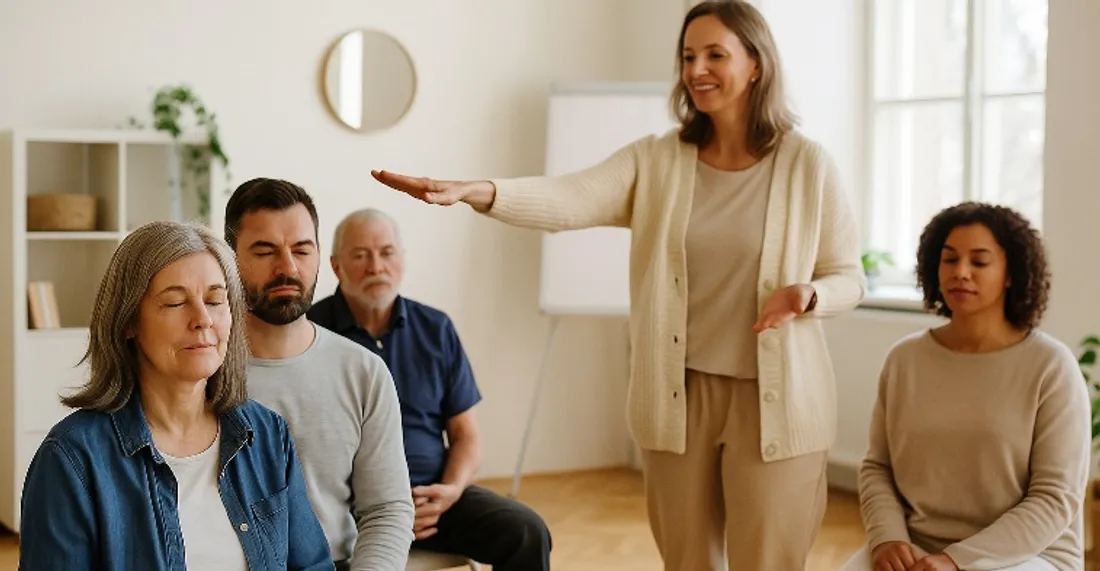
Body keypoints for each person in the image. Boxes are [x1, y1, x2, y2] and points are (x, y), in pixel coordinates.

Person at [369, 1, 866, 569]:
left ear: (756, 64)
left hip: (777, 402)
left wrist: (811, 296)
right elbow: (568, 197)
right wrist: (476, 190)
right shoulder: (658, 161)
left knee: (770, 561)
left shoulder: (808, 165)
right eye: (687, 56)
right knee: (686, 560)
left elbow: (848, 275)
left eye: (715, 55)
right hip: (679, 399)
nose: (696, 69)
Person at [18, 221, 334, 571]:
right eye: (174, 303)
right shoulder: (72, 458)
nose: (203, 319)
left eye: (215, 300)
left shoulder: (268, 434)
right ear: (128, 322)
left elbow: (312, 565)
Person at [843, 202, 1090, 571]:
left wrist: (957, 560)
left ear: (1010, 273)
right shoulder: (904, 360)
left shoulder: (1051, 367)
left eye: (979, 262)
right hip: (916, 547)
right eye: (949, 259)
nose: (961, 272)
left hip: (1029, 554)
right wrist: (888, 538)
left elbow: (1054, 498)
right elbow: (878, 466)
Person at [308, 208, 553, 570]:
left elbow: (466, 435)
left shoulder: (436, 328)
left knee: (526, 532)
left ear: (403, 259)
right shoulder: (310, 332)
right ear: (336, 265)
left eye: (387, 252)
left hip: (432, 501)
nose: (376, 266)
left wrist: (450, 492)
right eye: (360, 255)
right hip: (346, 507)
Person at [224, 178, 415, 571]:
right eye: (265, 251)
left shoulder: (363, 371)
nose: (287, 268)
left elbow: (387, 510)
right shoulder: (201, 371)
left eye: (301, 249)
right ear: (229, 260)